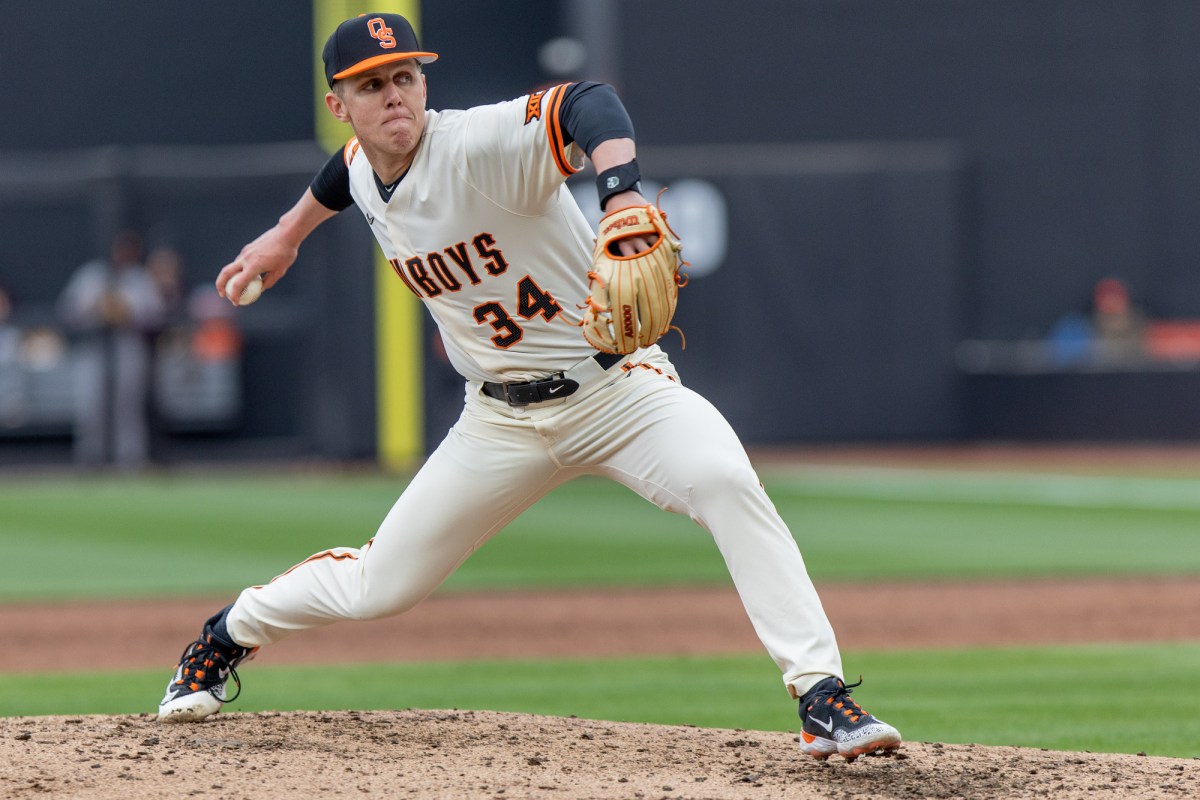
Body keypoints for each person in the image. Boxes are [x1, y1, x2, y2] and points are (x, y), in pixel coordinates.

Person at [156, 13, 901, 762]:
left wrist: (620, 195)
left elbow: (590, 100)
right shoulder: (362, 165)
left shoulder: (478, 145)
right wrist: (287, 233)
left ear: (425, 83)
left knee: (724, 480)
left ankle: (821, 696)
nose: (395, 98)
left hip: (618, 392)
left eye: (406, 78)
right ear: (338, 106)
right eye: (372, 86)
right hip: (498, 423)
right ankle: (225, 637)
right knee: (381, 587)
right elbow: (342, 176)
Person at [57, 230, 167, 469]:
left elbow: (156, 314)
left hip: (128, 344)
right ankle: (90, 458)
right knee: (91, 404)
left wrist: (125, 311)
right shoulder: (92, 274)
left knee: (128, 406)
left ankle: (130, 460)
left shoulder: (140, 278)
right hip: (94, 345)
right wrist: (97, 307)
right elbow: (68, 309)